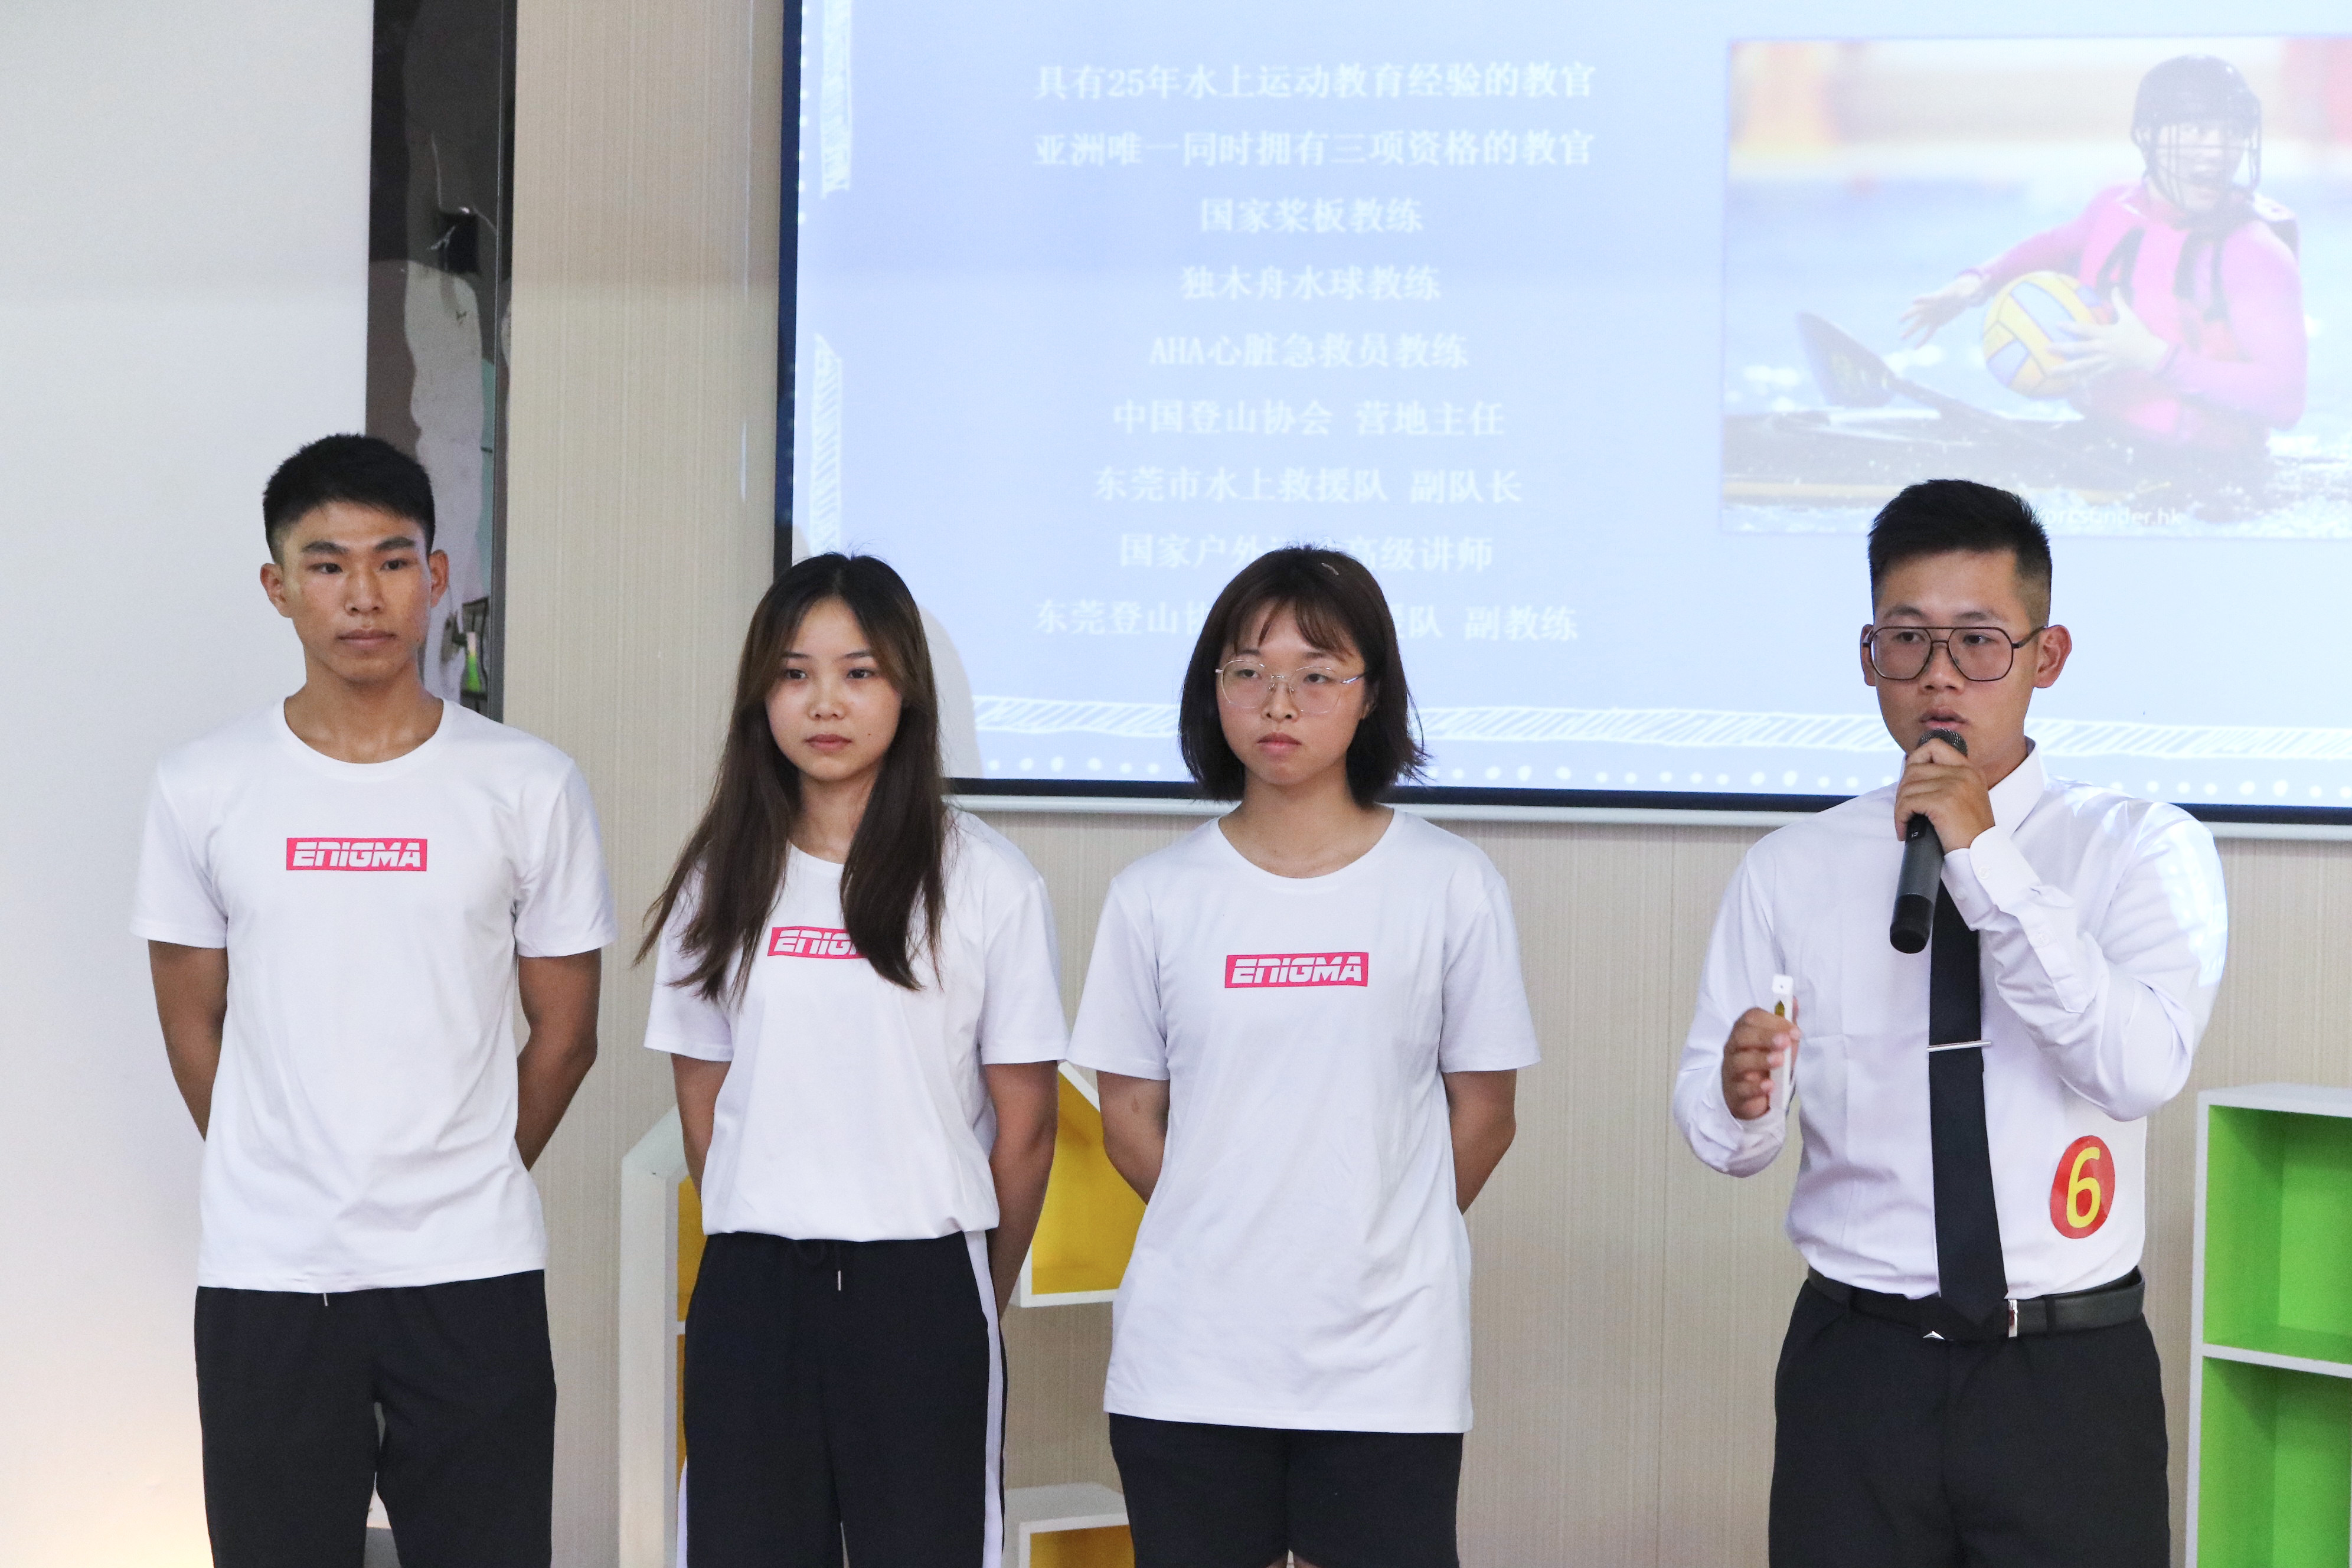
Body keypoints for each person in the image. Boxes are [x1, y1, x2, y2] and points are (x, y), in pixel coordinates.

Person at [1673, 479, 2227, 1565]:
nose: (1938, 676)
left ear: (2045, 656)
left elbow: (2136, 1069)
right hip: (1858, 1368)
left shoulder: (2141, 850)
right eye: (1906, 640)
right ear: (1866, 655)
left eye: (1977, 642)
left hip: (2065, 1372)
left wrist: (1981, 856)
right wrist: (1741, 1098)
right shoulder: (1790, 868)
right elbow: (1721, 1133)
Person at [135, 434, 615, 1567]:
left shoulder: (527, 784)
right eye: (328, 564)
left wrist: (469, 1169)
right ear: (278, 587)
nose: (363, 595)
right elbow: (190, 1021)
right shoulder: (201, 786)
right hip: (272, 1273)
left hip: (472, 1266)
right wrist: (275, 1165)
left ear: (435, 577)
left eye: (393, 561)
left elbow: (567, 1034)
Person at [1070, 547, 1538, 1568]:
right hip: (1190, 1361)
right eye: (1248, 671)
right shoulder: (1154, 895)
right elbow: (1128, 1119)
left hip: (1387, 1365)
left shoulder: (1450, 883)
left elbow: (1486, 1114)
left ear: (1370, 695)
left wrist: (1377, 1231)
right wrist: (1233, 1223)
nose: (1278, 701)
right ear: (1215, 691)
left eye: (1317, 674)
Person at [641, 553, 1066, 1568]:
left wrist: (970, 1286)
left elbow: (1027, 1128)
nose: (823, 702)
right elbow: (703, 1096)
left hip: (922, 1287)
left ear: (906, 688)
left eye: (858, 672)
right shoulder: (721, 877)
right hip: (753, 1287)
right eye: (794, 674)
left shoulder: (987, 880)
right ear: (761, 696)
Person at [1901, 54, 2305, 458]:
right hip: (2102, 440)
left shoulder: (2254, 253)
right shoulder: (2115, 207)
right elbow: (2055, 245)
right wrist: (1977, 282)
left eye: (2232, 131)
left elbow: (2286, 402)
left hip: (2207, 472)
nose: (2218, 150)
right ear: (2149, 133)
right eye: (2197, 130)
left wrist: (2153, 357)